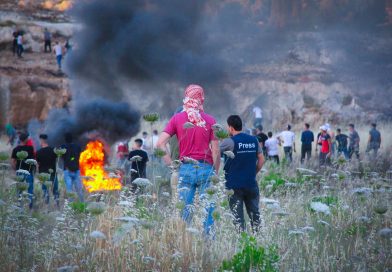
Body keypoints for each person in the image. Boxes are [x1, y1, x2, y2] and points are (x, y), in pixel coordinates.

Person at [157, 84, 220, 235]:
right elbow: (216, 150)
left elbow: (160, 144)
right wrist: (215, 172)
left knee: (185, 210)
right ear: (201, 98)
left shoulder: (177, 118)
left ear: (186, 96)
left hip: (185, 169)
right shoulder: (210, 120)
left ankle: (186, 242)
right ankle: (208, 243)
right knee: (209, 211)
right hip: (206, 168)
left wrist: (172, 166)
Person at [220, 115, 264, 231]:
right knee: (255, 216)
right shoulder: (253, 140)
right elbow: (261, 159)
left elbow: (214, 152)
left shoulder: (229, 142)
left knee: (238, 218)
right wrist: (253, 173)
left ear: (230, 128)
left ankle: (242, 242)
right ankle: (258, 239)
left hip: (234, 186)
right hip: (251, 184)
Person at [11, 132, 35, 209]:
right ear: (26, 139)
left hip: (19, 171)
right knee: (30, 189)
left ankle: (19, 205)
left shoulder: (16, 149)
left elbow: (13, 161)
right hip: (29, 171)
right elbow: (33, 159)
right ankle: (30, 205)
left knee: (19, 189)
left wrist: (15, 169)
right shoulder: (30, 148)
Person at [36, 134, 59, 205]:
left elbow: (38, 164)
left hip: (43, 175)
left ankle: (46, 206)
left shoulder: (38, 152)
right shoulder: (53, 150)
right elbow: (57, 159)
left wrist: (38, 173)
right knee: (55, 191)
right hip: (53, 173)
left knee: (45, 191)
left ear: (41, 140)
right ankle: (57, 205)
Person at [61, 133, 84, 202]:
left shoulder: (63, 147)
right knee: (79, 189)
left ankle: (70, 205)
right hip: (76, 169)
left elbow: (62, 157)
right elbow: (78, 155)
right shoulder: (77, 147)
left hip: (67, 170)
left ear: (65, 139)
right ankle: (82, 203)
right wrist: (73, 158)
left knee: (69, 189)